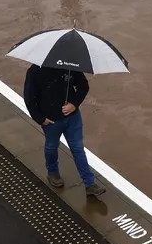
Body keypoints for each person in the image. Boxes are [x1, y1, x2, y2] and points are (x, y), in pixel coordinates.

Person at [23, 65, 106, 197]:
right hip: (51, 120)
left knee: (78, 148)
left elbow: (83, 86)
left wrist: (74, 104)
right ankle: (52, 172)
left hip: (73, 118)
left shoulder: (70, 66)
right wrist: (40, 119)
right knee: (51, 146)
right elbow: (29, 98)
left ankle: (89, 183)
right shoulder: (35, 71)